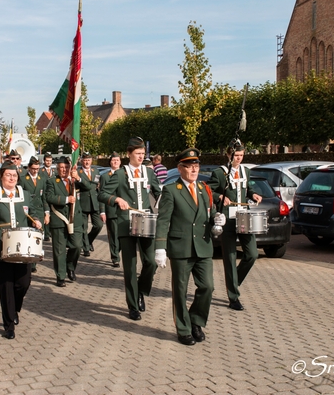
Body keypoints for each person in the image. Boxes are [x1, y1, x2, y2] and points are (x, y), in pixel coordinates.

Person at [155, 148, 225, 346]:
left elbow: (208, 214)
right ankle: (183, 329)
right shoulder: (170, 190)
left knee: (207, 287)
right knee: (180, 289)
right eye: (190, 166)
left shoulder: (204, 189)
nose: (194, 170)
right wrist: (160, 247)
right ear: (180, 168)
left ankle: (196, 320)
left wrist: (217, 219)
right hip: (181, 247)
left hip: (202, 246)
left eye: (196, 166)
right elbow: (163, 220)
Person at [0, 161, 43, 340]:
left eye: (14, 175)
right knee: (6, 286)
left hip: (22, 246)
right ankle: (9, 325)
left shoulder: (25, 194)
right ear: (1, 177)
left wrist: (36, 219)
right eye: (8, 175)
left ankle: (15, 309)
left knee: (23, 283)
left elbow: (34, 211)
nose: (12, 178)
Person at [98, 137, 162, 321]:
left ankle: (141, 290)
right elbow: (102, 193)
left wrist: (163, 205)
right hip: (126, 224)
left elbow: (158, 194)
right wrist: (117, 200)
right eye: (137, 154)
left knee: (151, 262)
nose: (141, 157)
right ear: (129, 154)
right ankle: (133, 305)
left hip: (147, 222)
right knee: (130, 267)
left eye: (143, 153)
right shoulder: (119, 174)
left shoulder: (149, 173)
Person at [208, 143, 262, 311]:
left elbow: (248, 189)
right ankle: (233, 297)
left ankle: (234, 281)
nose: (239, 158)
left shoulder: (245, 171)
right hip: (227, 219)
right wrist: (219, 197)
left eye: (241, 155)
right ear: (228, 155)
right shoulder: (219, 172)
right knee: (230, 257)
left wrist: (253, 194)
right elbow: (209, 190)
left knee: (252, 254)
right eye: (236, 155)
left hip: (244, 216)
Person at [45, 156, 91, 287]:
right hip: (59, 219)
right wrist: (66, 199)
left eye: (66, 167)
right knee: (59, 250)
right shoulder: (52, 181)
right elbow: (49, 197)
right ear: (57, 169)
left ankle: (70, 266)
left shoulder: (74, 180)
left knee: (77, 246)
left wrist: (78, 178)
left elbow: (88, 187)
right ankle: (61, 276)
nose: (64, 170)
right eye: (61, 168)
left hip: (75, 219)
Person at [22, 156, 50, 273]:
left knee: (37, 237)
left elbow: (44, 198)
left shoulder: (42, 179)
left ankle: (34, 261)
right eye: (33, 168)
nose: (35, 171)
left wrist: (46, 213)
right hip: (26, 212)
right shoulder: (23, 179)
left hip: (39, 211)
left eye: (37, 168)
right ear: (29, 167)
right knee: (28, 236)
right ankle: (28, 261)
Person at [78, 151, 103, 257]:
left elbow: (96, 185)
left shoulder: (95, 171)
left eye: (88, 160)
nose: (87, 162)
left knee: (99, 225)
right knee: (83, 227)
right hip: (82, 202)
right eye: (85, 160)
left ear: (91, 161)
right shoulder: (77, 172)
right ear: (81, 161)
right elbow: (84, 185)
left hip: (94, 202)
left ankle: (88, 240)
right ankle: (86, 248)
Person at [99, 152, 122, 267]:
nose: (115, 162)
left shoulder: (124, 174)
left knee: (122, 236)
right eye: (113, 160)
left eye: (117, 160)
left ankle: (117, 251)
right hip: (111, 210)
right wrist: (102, 211)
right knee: (113, 235)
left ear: (120, 162)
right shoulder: (105, 176)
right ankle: (115, 257)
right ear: (110, 162)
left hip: (123, 211)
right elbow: (102, 195)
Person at [40, 152, 55, 241]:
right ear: (44, 161)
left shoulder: (54, 171)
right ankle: (46, 233)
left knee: (52, 213)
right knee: (45, 212)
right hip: (44, 193)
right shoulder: (41, 171)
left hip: (52, 193)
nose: (48, 162)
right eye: (47, 160)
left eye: (50, 161)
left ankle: (50, 231)